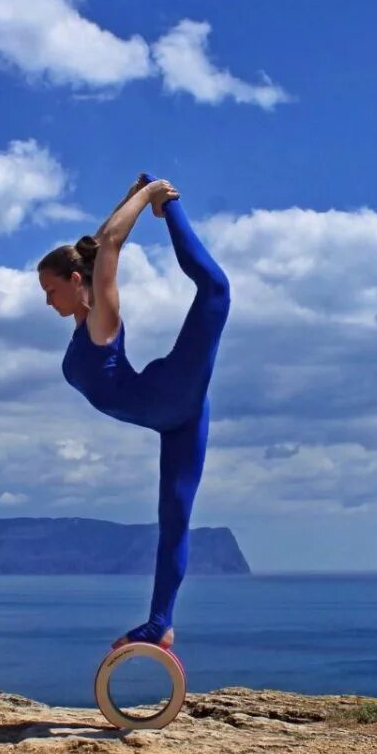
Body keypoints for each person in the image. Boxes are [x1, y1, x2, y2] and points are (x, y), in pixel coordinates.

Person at [37, 173, 231, 650]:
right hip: (174, 417)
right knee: (175, 520)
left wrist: (151, 199)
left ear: (76, 281)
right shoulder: (84, 324)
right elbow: (99, 241)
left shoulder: (102, 318)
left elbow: (108, 245)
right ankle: (160, 623)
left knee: (216, 291)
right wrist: (129, 198)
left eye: (51, 290)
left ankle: (174, 208)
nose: (47, 300)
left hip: (169, 392)